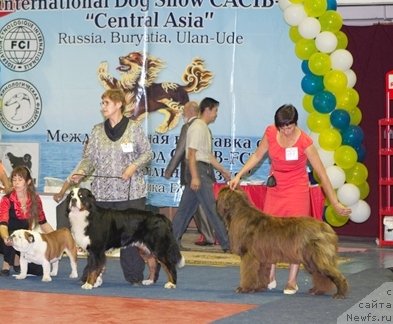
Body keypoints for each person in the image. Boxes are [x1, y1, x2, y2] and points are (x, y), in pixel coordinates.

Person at [228, 104, 351, 295]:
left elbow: (322, 174)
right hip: (276, 188)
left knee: (295, 238)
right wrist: (239, 175)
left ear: (295, 123)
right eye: (282, 127)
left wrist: (334, 202)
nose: (286, 131)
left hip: (296, 190)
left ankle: (292, 280)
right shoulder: (270, 133)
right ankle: (269, 277)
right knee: (268, 237)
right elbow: (257, 155)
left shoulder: (305, 142)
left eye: (289, 127)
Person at [69, 88, 154, 285]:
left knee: (131, 238)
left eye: (106, 103)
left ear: (118, 105)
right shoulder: (97, 130)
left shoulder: (134, 128)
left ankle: (134, 276)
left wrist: (133, 166)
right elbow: (89, 159)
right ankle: (94, 273)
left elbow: (148, 154)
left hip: (130, 193)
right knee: (97, 239)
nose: (103, 107)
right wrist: (81, 171)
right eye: (102, 103)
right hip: (103, 195)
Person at [171, 97, 230, 252]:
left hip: (199, 170)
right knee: (212, 208)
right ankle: (228, 244)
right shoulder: (198, 127)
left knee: (185, 210)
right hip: (198, 171)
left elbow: (207, 155)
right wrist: (195, 176)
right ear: (208, 110)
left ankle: (170, 242)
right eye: (215, 110)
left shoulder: (202, 127)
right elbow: (191, 153)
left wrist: (223, 170)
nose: (216, 114)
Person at [164, 101, 216, 246]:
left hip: (192, 174)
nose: (182, 114)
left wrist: (169, 171)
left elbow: (181, 150)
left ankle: (174, 238)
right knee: (200, 206)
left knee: (188, 208)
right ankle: (209, 236)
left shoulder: (188, 127)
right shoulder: (204, 127)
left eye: (184, 111)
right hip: (205, 172)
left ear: (189, 112)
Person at [0, 166, 54, 276]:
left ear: (28, 182)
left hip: (23, 240)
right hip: (4, 236)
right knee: (12, 236)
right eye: (14, 180)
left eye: (20, 180)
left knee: (39, 270)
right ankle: (7, 264)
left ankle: (17, 258)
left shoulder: (35, 199)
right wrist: (5, 238)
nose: (16, 183)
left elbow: (43, 223)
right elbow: (3, 224)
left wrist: (57, 238)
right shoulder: (6, 199)